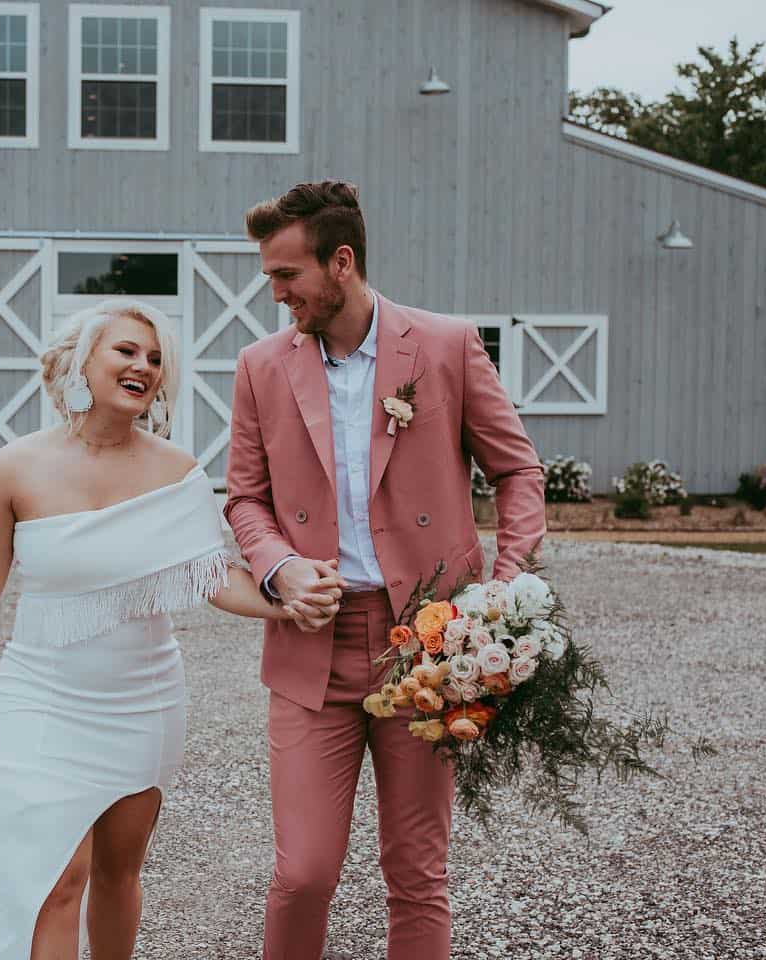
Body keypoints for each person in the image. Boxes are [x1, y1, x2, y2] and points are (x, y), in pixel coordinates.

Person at [0, 298, 340, 960]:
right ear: (84, 361)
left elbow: (214, 578)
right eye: (127, 351)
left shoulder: (178, 473)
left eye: (156, 358)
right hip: (43, 694)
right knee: (57, 878)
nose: (144, 366)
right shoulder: (13, 468)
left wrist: (286, 600)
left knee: (118, 871)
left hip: (146, 698)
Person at [224, 181, 546, 960]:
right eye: (269, 277)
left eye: (286, 276)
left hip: (428, 647)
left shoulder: (444, 344)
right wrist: (278, 570)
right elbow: (244, 498)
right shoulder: (260, 366)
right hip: (313, 648)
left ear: (342, 262)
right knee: (302, 873)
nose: (275, 295)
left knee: (416, 871)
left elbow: (519, 473)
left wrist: (503, 589)